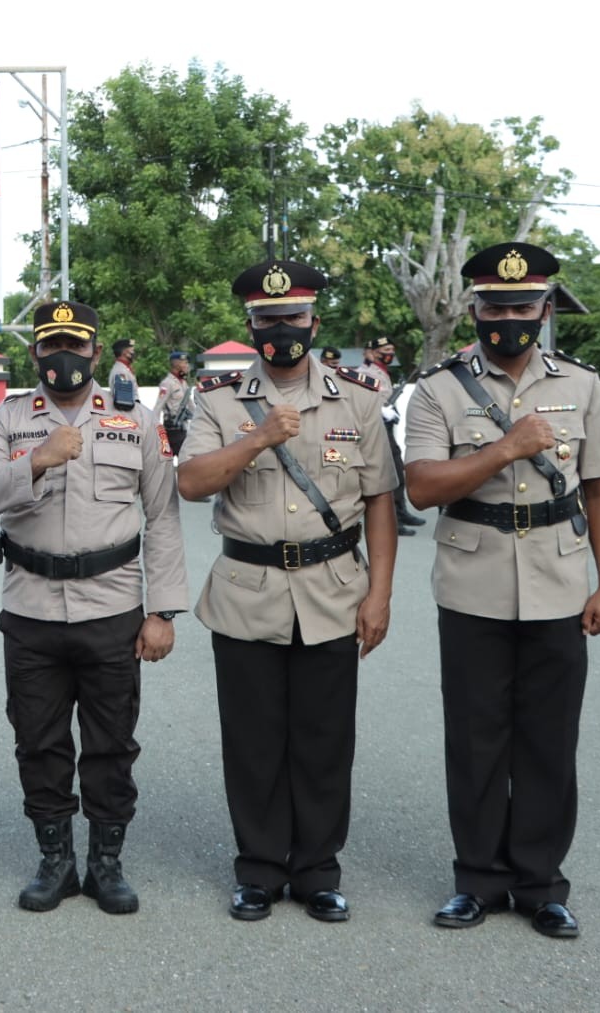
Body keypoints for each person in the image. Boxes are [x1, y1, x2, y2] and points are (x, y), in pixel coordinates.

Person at [404, 241, 600, 939]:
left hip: (560, 584)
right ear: (473, 308)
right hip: (472, 583)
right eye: (494, 307)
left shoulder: (581, 385)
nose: (508, 319)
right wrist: (503, 449)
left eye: (522, 306)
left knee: (549, 741)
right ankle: (476, 880)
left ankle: (540, 884)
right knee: (475, 740)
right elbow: (422, 485)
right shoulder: (438, 389)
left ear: (545, 307)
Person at [176, 258, 397, 924]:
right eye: (268, 321)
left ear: (314, 322)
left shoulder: (358, 399)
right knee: (253, 742)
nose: (282, 331)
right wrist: (261, 435)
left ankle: (318, 871)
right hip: (248, 591)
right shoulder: (218, 399)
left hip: (333, 589)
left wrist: (380, 594)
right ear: (250, 325)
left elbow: (381, 500)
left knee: (325, 740)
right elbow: (191, 482)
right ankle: (260, 869)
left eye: (293, 319)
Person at [0, 300, 188, 914]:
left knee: (111, 742)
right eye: (50, 344)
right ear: (33, 352)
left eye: (75, 344)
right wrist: (33, 460)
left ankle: (106, 862)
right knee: (38, 741)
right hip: (31, 607)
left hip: (113, 606)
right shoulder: (5, 419)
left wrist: (163, 611)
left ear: (94, 350)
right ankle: (55, 859)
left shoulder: (135, 420)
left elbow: (163, 516)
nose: (63, 356)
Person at [362, 336, 426, 536]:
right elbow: (364, 401)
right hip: (374, 427)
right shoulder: (364, 372)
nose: (389, 353)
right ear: (371, 353)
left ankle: (401, 511)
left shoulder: (383, 371)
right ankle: (394, 519)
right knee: (388, 473)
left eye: (391, 349)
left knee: (397, 467)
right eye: (385, 350)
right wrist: (381, 410)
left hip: (386, 427)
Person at [155, 351, 193, 456]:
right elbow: (158, 406)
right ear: (176, 364)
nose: (187, 366)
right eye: (184, 363)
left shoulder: (183, 382)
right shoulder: (167, 383)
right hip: (172, 428)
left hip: (183, 427)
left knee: (186, 457)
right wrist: (156, 429)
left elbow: (190, 404)